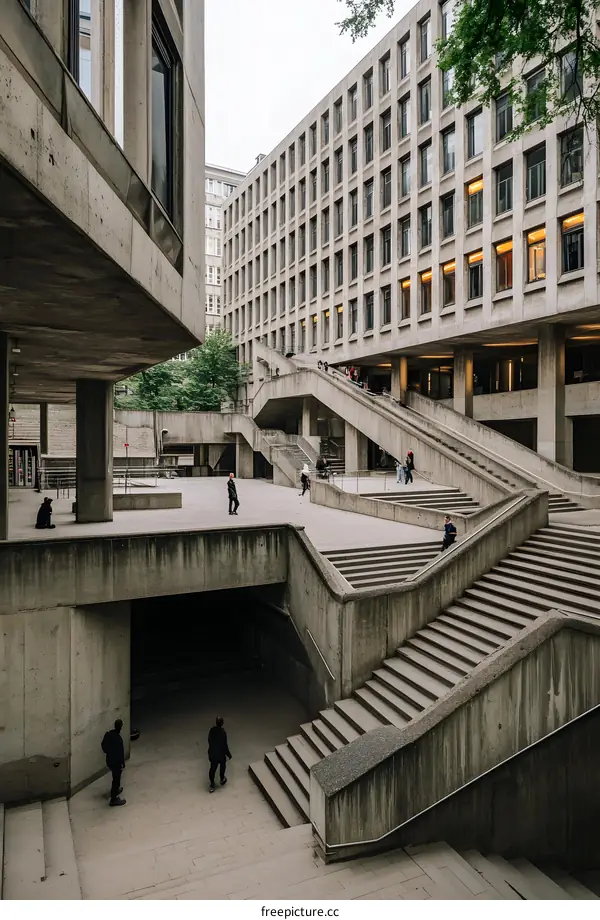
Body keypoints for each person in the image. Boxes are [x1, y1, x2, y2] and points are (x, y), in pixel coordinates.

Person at [101, 719, 126, 807]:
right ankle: (114, 798)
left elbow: (103, 745)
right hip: (116, 763)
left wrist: (108, 752)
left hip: (109, 760)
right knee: (116, 778)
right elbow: (120, 754)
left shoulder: (109, 734)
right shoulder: (118, 739)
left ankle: (116, 790)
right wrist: (122, 763)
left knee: (115, 777)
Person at [208, 716, 232, 792]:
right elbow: (225, 745)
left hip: (213, 753)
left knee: (212, 768)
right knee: (222, 765)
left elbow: (209, 740)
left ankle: (212, 784)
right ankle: (222, 778)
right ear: (222, 723)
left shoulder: (212, 730)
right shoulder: (223, 732)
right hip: (221, 753)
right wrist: (228, 754)